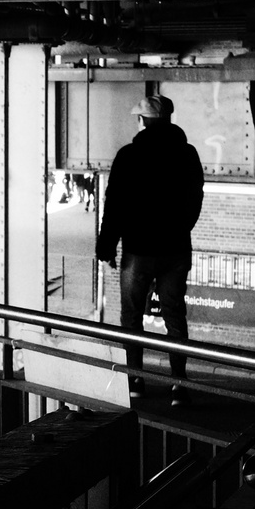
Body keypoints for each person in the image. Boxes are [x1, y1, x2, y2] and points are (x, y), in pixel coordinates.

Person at [95, 94, 204, 406]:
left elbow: (114, 204)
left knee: (131, 316)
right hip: (175, 250)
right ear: (168, 119)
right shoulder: (187, 154)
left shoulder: (129, 155)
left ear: (142, 121)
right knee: (174, 315)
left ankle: (135, 381)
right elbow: (195, 196)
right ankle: (178, 385)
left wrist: (106, 246)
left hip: (138, 250)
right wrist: (181, 229)